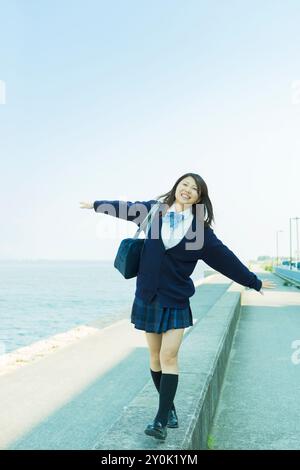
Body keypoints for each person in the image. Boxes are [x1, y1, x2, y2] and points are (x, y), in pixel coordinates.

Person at [79, 172, 275, 441]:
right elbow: (124, 208)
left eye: (194, 189)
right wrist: (96, 204)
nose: (187, 190)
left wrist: (254, 282)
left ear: (199, 198)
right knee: (154, 356)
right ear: (176, 187)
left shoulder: (199, 231)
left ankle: (159, 420)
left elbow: (225, 259)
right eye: (184, 184)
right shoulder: (153, 211)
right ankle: (168, 408)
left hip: (175, 298)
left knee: (169, 357)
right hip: (148, 296)